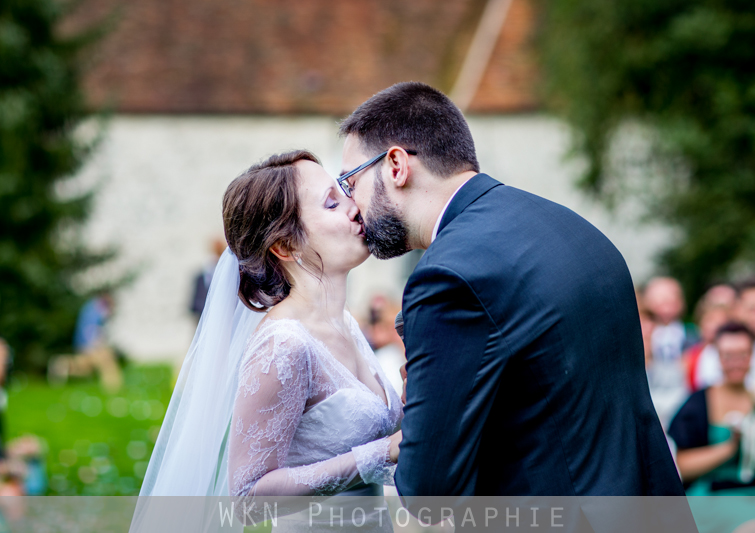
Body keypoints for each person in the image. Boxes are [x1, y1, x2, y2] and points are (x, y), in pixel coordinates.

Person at [338, 82, 690, 528]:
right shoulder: (572, 228)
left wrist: (419, 403)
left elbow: (430, 492)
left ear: (395, 165)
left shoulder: (447, 276)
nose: (352, 204)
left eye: (351, 181)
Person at [132, 151, 402, 532]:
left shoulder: (345, 323)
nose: (355, 207)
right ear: (286, 247)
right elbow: (248, 498)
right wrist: (372, 457)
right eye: (331, 202)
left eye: (344, 192)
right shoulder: (284, 345)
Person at [668, 322, 755, 533]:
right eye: (728, 355)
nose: (735, 362)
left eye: (743, 354)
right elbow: (682, 466)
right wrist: (730, 447)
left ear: (753, 355)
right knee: (754, 529)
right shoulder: (698, 403)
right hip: (714, 494)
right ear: (717, 357)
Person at [643, 277, 699, 363]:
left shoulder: (694, 334)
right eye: (660, 297)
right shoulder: (643, 336)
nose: (667, 301)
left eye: (673, 295)